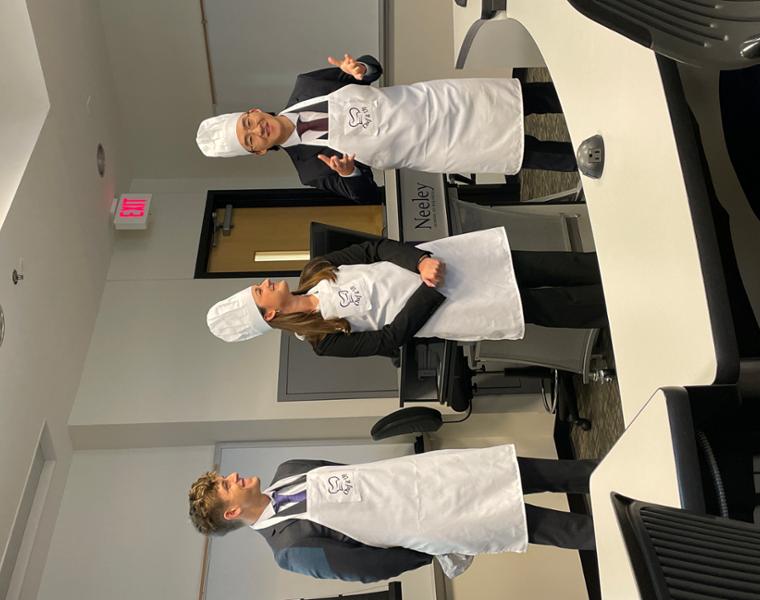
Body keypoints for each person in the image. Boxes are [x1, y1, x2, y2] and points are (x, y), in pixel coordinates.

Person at [195, 53, 578, 203]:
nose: (257, 130)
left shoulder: (307, 85)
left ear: (254, 110)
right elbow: (365, 194)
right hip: (437, 146)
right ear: (259, 152)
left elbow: (369, 69)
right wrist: (350, 173)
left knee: (533, 99)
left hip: (436, 102)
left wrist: (360, 69)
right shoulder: (310, 171)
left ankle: (590, 92)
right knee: (531, 153)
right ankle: (586, 159)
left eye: (248, 123)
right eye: (250, 140)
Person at [187, 445, 598, 582]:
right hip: (441, 521)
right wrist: (432, 543)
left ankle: (623, 472)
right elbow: (370, 567)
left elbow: (362, 478)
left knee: (542, 472)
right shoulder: (290, 549)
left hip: (433, 475)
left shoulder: (289, 470)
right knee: (553, 527)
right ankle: (632, 525)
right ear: (232, 512)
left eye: (224, 477)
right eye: (226, 485)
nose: (234, 476)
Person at [205, 227, 607, 358]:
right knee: (551, 305)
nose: (265, 283)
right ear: (269, 315)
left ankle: (622, 266)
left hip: (443, 264)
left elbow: (375, 249)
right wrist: (429, 291)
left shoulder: (314, 270)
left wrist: (420, 263)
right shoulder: (322, 340)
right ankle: (622, 306)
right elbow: (389, 339)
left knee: (552, 266)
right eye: (259, 292)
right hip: (446, 306)